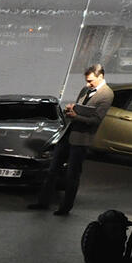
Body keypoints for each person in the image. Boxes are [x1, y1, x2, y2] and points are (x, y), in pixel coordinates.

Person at [29, 64, 113, 216]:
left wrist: (77, 116)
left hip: (81, 139)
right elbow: (80, 107)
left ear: (100, 77)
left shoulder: (107, 94)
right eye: (87, 80)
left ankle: (65, 207)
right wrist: (71, 109)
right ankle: (43, 202)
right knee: (52, 170)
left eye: (91, 81)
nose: (88, 84)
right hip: (68, 134)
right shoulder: (86, 89)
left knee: (72, 175)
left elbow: (96, 120)